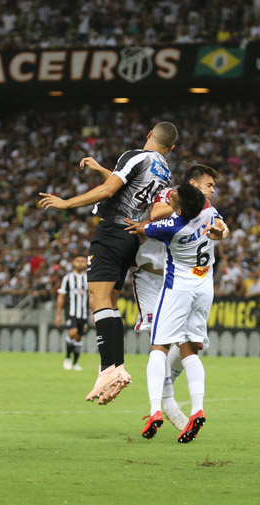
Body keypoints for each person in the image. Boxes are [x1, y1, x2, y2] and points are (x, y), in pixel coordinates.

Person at [39, 122, 178, 405]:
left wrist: (66, 203)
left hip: (112, 232)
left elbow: (108, 191)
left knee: (97, 298)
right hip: (129, 238)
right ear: (171, 148)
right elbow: (134, 192)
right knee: (111, 302)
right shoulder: (164, 171)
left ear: (149, 133)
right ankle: (116, 368)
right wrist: (104, 169)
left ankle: (108, 368)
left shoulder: (135, 155)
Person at [127, 183, 228, 443]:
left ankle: (154, 410)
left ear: (181, 209)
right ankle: (197, 410)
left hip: (178, 289)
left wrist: (134, 223)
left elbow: (140, 228)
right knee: (190, 351)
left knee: (158, 347)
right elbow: (221, 227)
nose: (170, 196)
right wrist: (222, 231)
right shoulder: (209, 212)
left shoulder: (170, 227)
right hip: (204, 288)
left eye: (174, 198)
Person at [55, 255, 90, 371]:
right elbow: (61, 297)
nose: (80, 263)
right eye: (77, 261)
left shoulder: (89, 278)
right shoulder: (67, 278)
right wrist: (58, 314)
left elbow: (93, 297)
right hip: (71, 312)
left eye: (82, 261)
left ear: (86, 263)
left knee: (79, 337)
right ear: (73, 263)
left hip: (84, 313)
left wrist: (95, 313)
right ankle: (67, 358)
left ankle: (75, 363)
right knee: (72, 333)